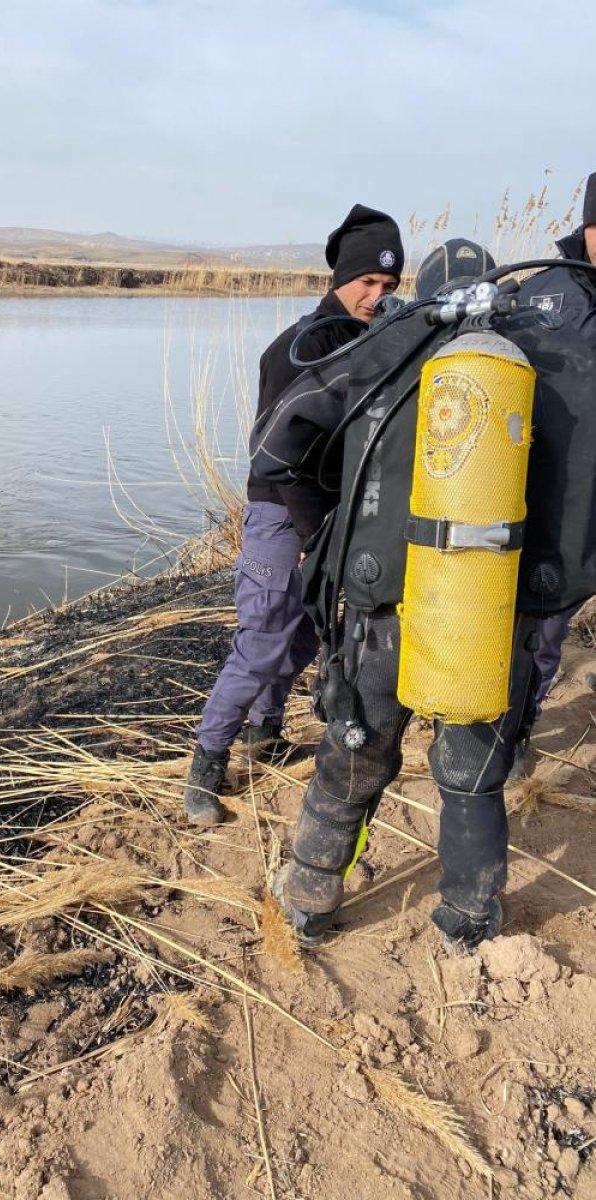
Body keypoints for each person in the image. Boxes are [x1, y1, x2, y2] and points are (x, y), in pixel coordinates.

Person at [249, 233, 596, 954]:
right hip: (494, 605)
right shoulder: (561, 360)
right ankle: (467, 922)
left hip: (382, 601)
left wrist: (333, 525)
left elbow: (279, 444)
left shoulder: (392, 343)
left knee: (358, 749)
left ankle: (311, 899)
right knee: (472, 774)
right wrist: (551, 593)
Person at [183, 205, 404, 826]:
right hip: (283, 512)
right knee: (261, 641)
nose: (375, 295)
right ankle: (205, 764)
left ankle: (264, 730)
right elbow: (283, 454)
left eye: (388, 287)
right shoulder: (300, 348)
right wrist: (310, 536)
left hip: (323, 515)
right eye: (366, 282)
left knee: (305, 631)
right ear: (340, 276)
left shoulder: (368, 338)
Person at [509, 171, 596, 776]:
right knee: (533, 627)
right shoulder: (541, 295)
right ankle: (511, 732)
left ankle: (521, 722)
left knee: (550, 628)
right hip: (548, 502)